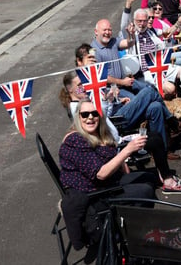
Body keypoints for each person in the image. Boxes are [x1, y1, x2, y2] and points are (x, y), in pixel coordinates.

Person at [59, 75, 181, 194]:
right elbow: (99, 172)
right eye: (80, 85)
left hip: (113, 140)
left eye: (93, 114)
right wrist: (123, 154)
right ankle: (167, 176)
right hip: (115, 144)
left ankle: (164, 174)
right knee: (150, 94)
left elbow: (105, 117)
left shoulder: (86, 103)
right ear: (70, 89)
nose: (90, 117)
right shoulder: (76, 113)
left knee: (155, 107)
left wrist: (109, 101)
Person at [58, 99, 157, 251]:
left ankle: (134, 224)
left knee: (149, 178)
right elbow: (101, 174)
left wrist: (123, 164)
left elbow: (109, 158)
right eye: (85, 114)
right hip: (94, 195)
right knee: (145, 191)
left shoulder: (96, 134)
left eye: (94, 113)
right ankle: (135, 237)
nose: (90, 117)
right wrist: (128, 150)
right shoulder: (76, 140)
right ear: (78, 117)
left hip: (107, 183)